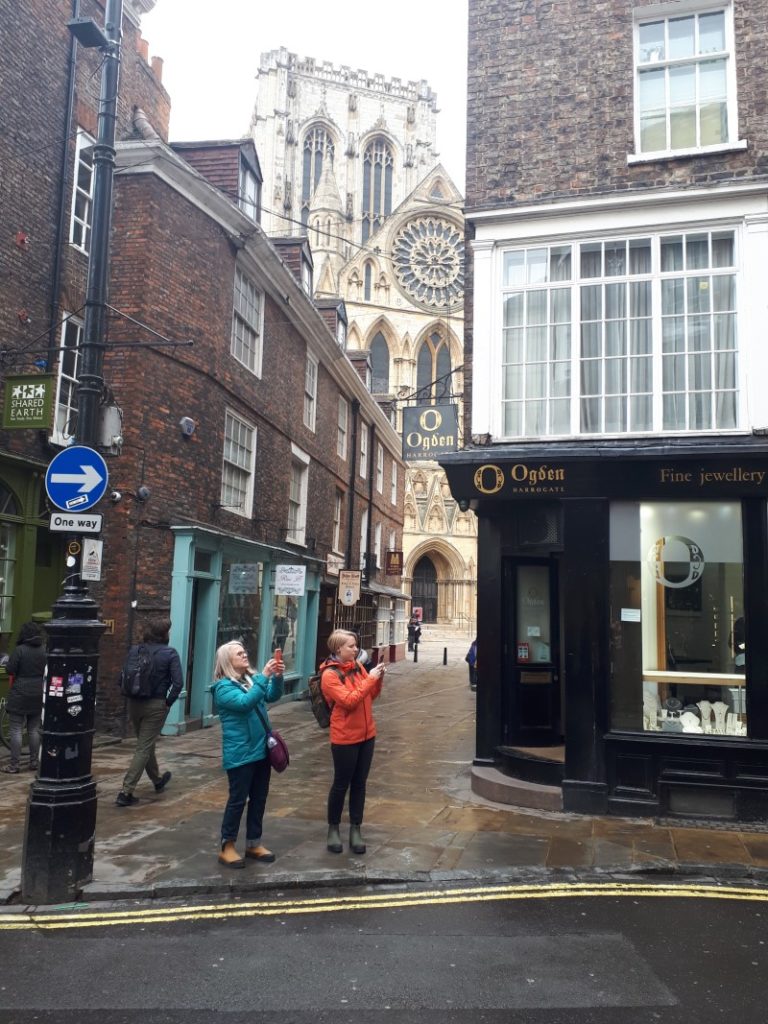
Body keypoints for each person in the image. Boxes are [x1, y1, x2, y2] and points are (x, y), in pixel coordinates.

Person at [211, 641, 284, 869]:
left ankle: (254, 843)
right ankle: (227, 846)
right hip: (241, 753)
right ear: (227, 661)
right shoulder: (223, 688)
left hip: (261, 750)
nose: (245, 655)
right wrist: (263, 676)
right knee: (237, 801)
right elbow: (245, 703)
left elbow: (271, 696)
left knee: (259, 799)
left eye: (244, 651)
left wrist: (278, 677)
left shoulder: (249, 680)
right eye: (239, 653)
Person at [320, 629, 386, 856]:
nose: (356, 649)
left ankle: (356, 829)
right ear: (338, 649)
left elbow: (369, 696)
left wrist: (378, 679)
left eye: (356, 645)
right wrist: (370, 679)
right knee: (341, 784)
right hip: (345, 737)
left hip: (367, 735)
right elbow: (349, 701)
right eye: (351, 646)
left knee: (360, 784)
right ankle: (333, 829)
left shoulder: (357, 667)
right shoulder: (329, 675)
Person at [115, 618, 183, 806]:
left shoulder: (135, 650)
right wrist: (168, 702)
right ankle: (126, 792)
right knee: (144, 747)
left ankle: (157, 780)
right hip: (156, 705)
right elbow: (178, 683)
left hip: (134, 702)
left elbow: (123, 677)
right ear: (163, 635)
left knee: (146, 743)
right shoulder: (170, 653)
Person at [2, 622, 46, 774]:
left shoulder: (20, 650)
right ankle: (34, 762)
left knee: (16, 730)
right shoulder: (43, 650)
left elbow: (10, 669)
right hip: (38, 691)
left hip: (20, 691)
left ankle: (14, 765)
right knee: (34, 729)